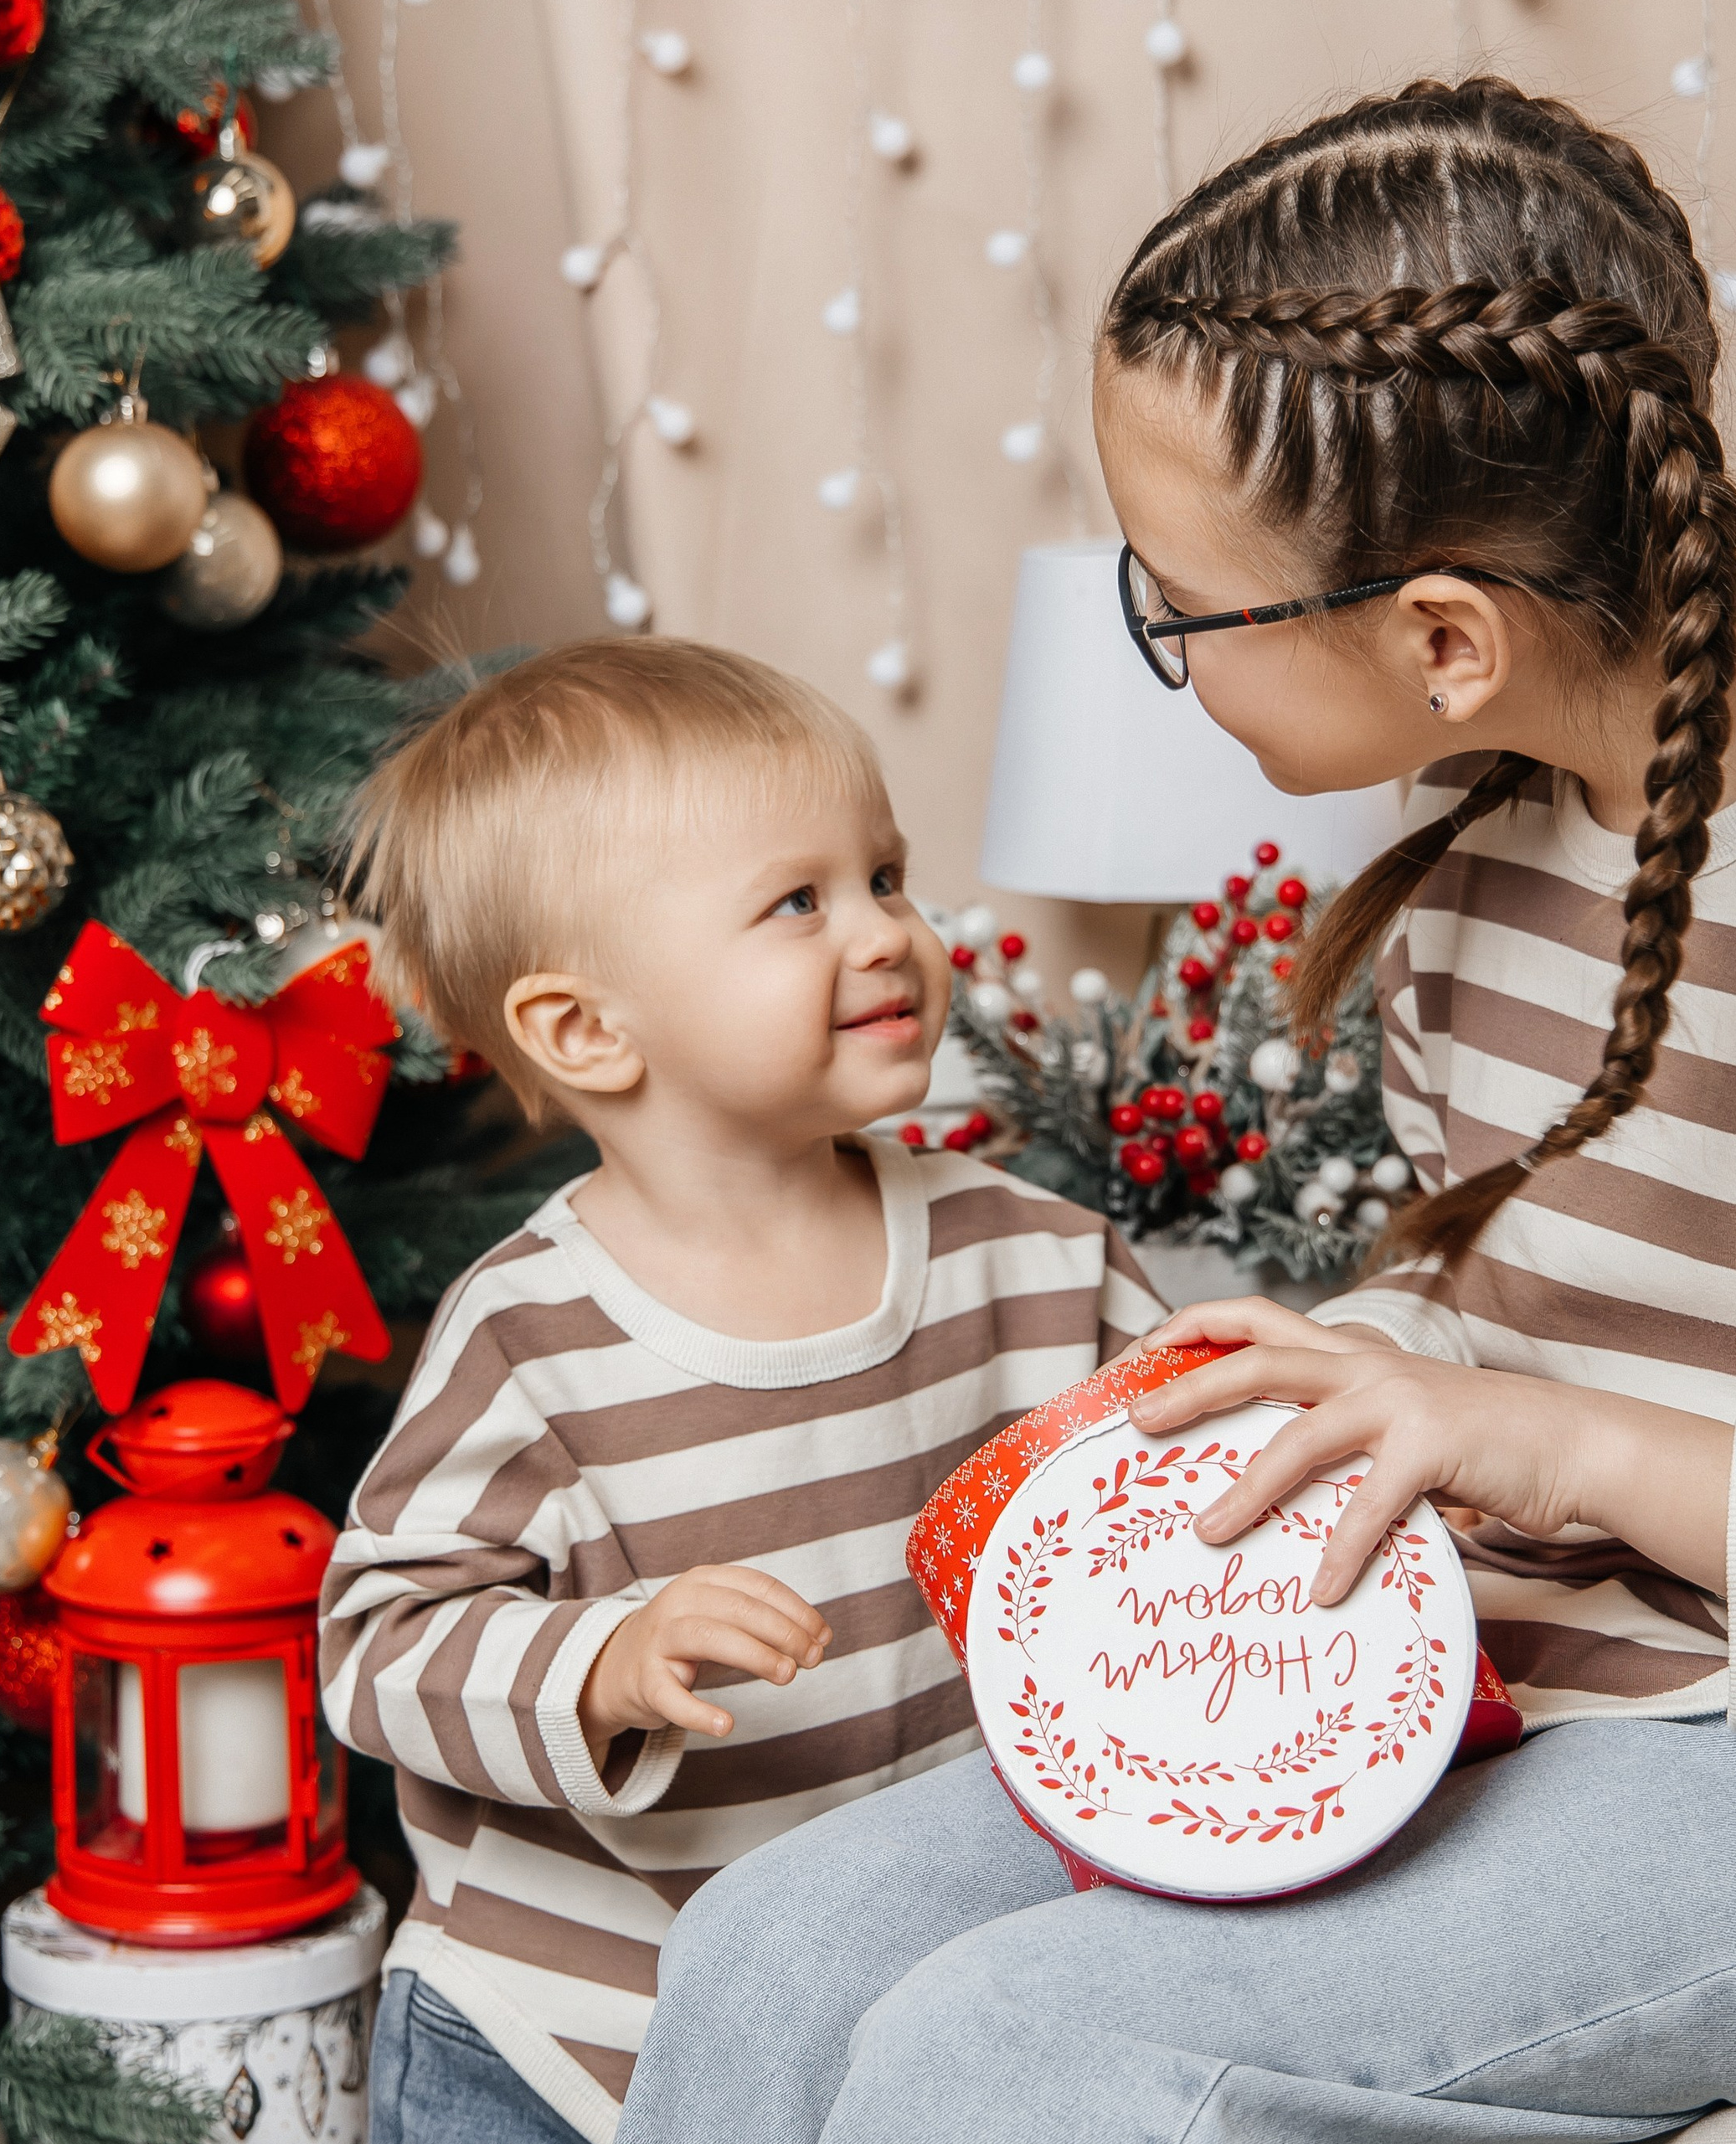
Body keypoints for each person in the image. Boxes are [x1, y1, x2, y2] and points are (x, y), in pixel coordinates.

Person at [613, 78, 1736, 2144]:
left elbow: (1615, 1426)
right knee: (775, 1949)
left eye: (1175, 604)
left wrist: (1565, 1444)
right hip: (1540, 1658)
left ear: (1441, 635)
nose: (1162, 641)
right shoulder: (1507, 825)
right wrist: (1363, 1367)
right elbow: (1525, 1314)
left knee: (1012, 2051)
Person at [317, 638, 1165, 2144]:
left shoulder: (1035, 1261)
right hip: (557, 2033)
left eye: (887, 876)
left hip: (870, 2002)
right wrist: (598, 1659)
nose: (889, 932)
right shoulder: (533, 1334)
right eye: (799, 902)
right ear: (585, 1030)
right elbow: (380, 1649)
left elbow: (1189, 1481)